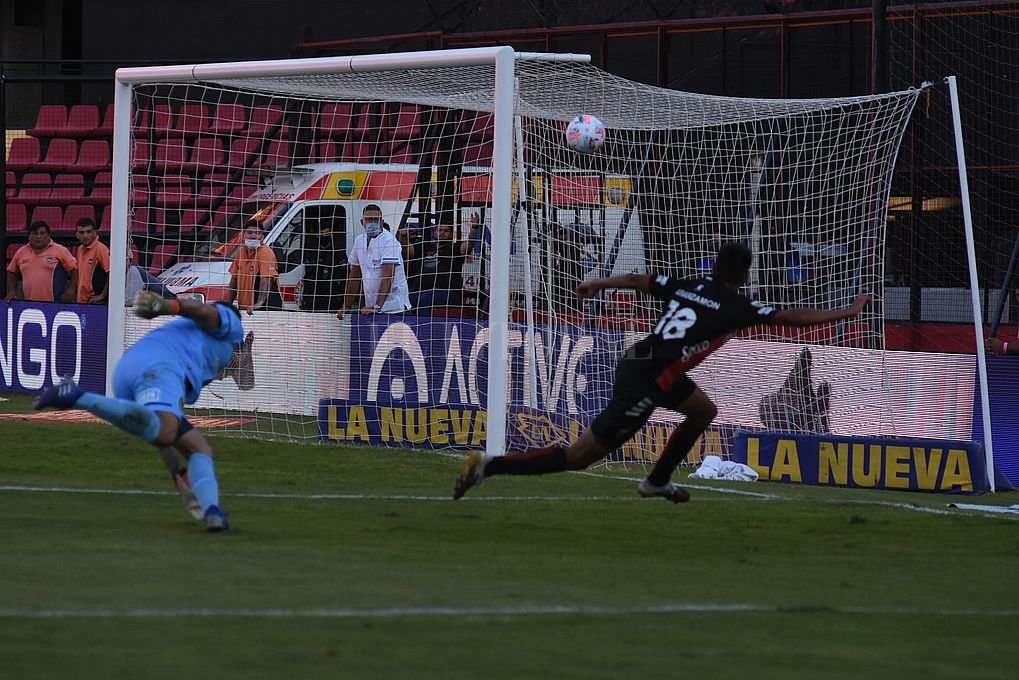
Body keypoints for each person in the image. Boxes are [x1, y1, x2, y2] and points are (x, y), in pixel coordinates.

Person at [453, 241, 872, 502]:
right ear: (742, 275)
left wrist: (597, 283)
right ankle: (491, 465)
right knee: (580, 457)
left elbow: (640, 279)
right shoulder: (737, 307)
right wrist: (845, 311)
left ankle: (657, 480)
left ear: (713, 267)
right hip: (649, 378)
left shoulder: (689, 284)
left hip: (642, 358)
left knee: (703, 411)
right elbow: (790, 317)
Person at [33, 291, 245, 532]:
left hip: (130, 369)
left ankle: (213, 512)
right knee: (166, 430)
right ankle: (76, 395)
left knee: (197, 448)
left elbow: (164, 441)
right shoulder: (232, 327)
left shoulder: (194, 345)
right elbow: (206, 311)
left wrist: (180, 477)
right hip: (160, 366)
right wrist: (168, 305)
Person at [337, 204, 412, 316]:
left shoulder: (389, 242)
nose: (372, 222)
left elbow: (387, 277)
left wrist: (376, 307)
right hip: (371, 308)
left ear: (381, 222)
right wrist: (346, 306)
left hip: (395, 309)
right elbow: (354, 276)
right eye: (368, 219)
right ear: (362, 222)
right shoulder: (359, 241)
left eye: (375, 219)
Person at [408, 214, 482, 311]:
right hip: (421, 290)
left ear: (451, 234)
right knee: (408, 299)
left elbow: (469, 244)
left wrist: (474, 228)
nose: (442, 233)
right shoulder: (425, 247)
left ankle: (424, 327)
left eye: (446, 231)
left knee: (425, 299)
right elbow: (407, 251)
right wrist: (404, 237)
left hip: (448, 292)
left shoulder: (455, 248)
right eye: (440, 230)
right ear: (435, 232)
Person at [5, 221, 77, 304]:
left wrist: (71, 290)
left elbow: (74, 269)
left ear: (48, 235)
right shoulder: (21, 252)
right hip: (29, 305)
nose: (38, 236)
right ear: (29, 237)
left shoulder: (60, 250)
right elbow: (11, 271)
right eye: (34, 234)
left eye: (42, 233)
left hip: (56, 304)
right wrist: (12, 291)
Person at [226, 220, 278, 315]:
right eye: (250, 233)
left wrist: (259, 303)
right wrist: (228, 304)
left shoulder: (266, 253)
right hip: (244, 308)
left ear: (262, 237)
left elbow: (266, 279)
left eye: (257, 233)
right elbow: (234, 279)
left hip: (263, 310)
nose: (253, 236)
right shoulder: (241, 253)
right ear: (243, 235)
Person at [301, 217, 346, 312]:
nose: (325, 236)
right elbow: (308, 276)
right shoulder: (312, 251)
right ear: (317, 234)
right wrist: (305, 298)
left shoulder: (337, 251)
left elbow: (344, 275)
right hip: (314, 297)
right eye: (322, 233)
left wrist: (341, 298)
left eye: (327, 233)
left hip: (332, 296)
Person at [74, 217, 111, 304]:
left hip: (94, 301)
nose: (85, 236)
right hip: (82, 300)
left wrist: (102, 295)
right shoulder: (80, 249)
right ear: (77, 235)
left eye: (88, 232)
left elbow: (112, 274)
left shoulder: (101, 249)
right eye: (82, 232)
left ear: (94, 233)